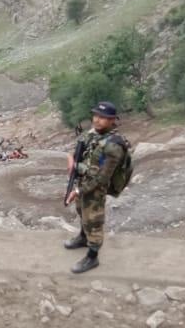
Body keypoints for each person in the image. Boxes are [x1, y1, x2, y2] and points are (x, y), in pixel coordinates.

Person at [63, 101, 128, 274]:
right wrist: (72, 161)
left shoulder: (114, 146)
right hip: (84, 180)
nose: (97, 120)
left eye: (103, 118)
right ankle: (83, 238)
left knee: (93, 220)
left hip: (97, 187)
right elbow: (79, 148)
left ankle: (92, 256)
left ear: (112, 120)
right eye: (96, 116)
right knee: (81, 210)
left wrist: (77, 190)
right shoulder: (93, 133)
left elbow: (101, 178)